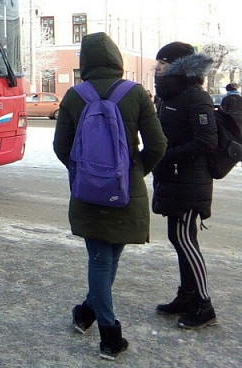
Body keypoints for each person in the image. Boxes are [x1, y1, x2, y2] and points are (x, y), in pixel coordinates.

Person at [53, 32, 166, 360]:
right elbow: (158, 145)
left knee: (102, 259)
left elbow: (62, 147)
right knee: (108, 258)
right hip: (125, 194)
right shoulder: (136, 94)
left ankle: (88, 313)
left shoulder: (75, 96)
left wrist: (84, 173)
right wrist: (132, 173)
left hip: (88, 194)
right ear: (116, 59)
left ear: (84, 62)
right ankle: (109, 337)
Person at [152, 41, 218, 329]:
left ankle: (204, 304)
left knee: (185, 240)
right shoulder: (168, 96)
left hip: (190, 181)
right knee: (178, 239)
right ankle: (187, 295)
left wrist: (168, 156)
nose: (157, 70)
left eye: (162, 65)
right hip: (172, 178)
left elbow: (206, 141)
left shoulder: (196, 97)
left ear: (177, 66)